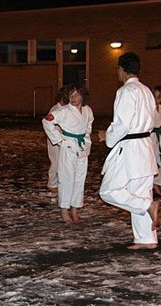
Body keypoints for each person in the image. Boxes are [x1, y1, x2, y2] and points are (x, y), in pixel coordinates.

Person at [99, 52, 161, 250]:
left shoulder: (126, 91)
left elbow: (122, 124)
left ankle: (148, 207)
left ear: (121, 69)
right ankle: (146, 239)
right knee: (139, 192)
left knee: (108, 191)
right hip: (145, 145)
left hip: (131, 147)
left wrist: (106, 137)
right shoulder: (145, 91)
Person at [43, 83, 94, 224]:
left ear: (83, 96)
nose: (73, 98)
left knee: (79, 180)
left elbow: (89, 123)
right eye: (71, 95)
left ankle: (75, 209)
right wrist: (59, 140)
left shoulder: (87, 110)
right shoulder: (63, 111)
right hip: (68, 146)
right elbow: (47, 122)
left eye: (77, 94)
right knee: (66, 179)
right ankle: (64, 210)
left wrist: (87, 136)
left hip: (82, 148)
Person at [46, 87, 69, 195]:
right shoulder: (56, 110)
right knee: (56, 161)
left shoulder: (63, 109)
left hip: (60, 139)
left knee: (60, 161)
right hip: (55, 140)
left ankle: (57, 183)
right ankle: (52, 184)